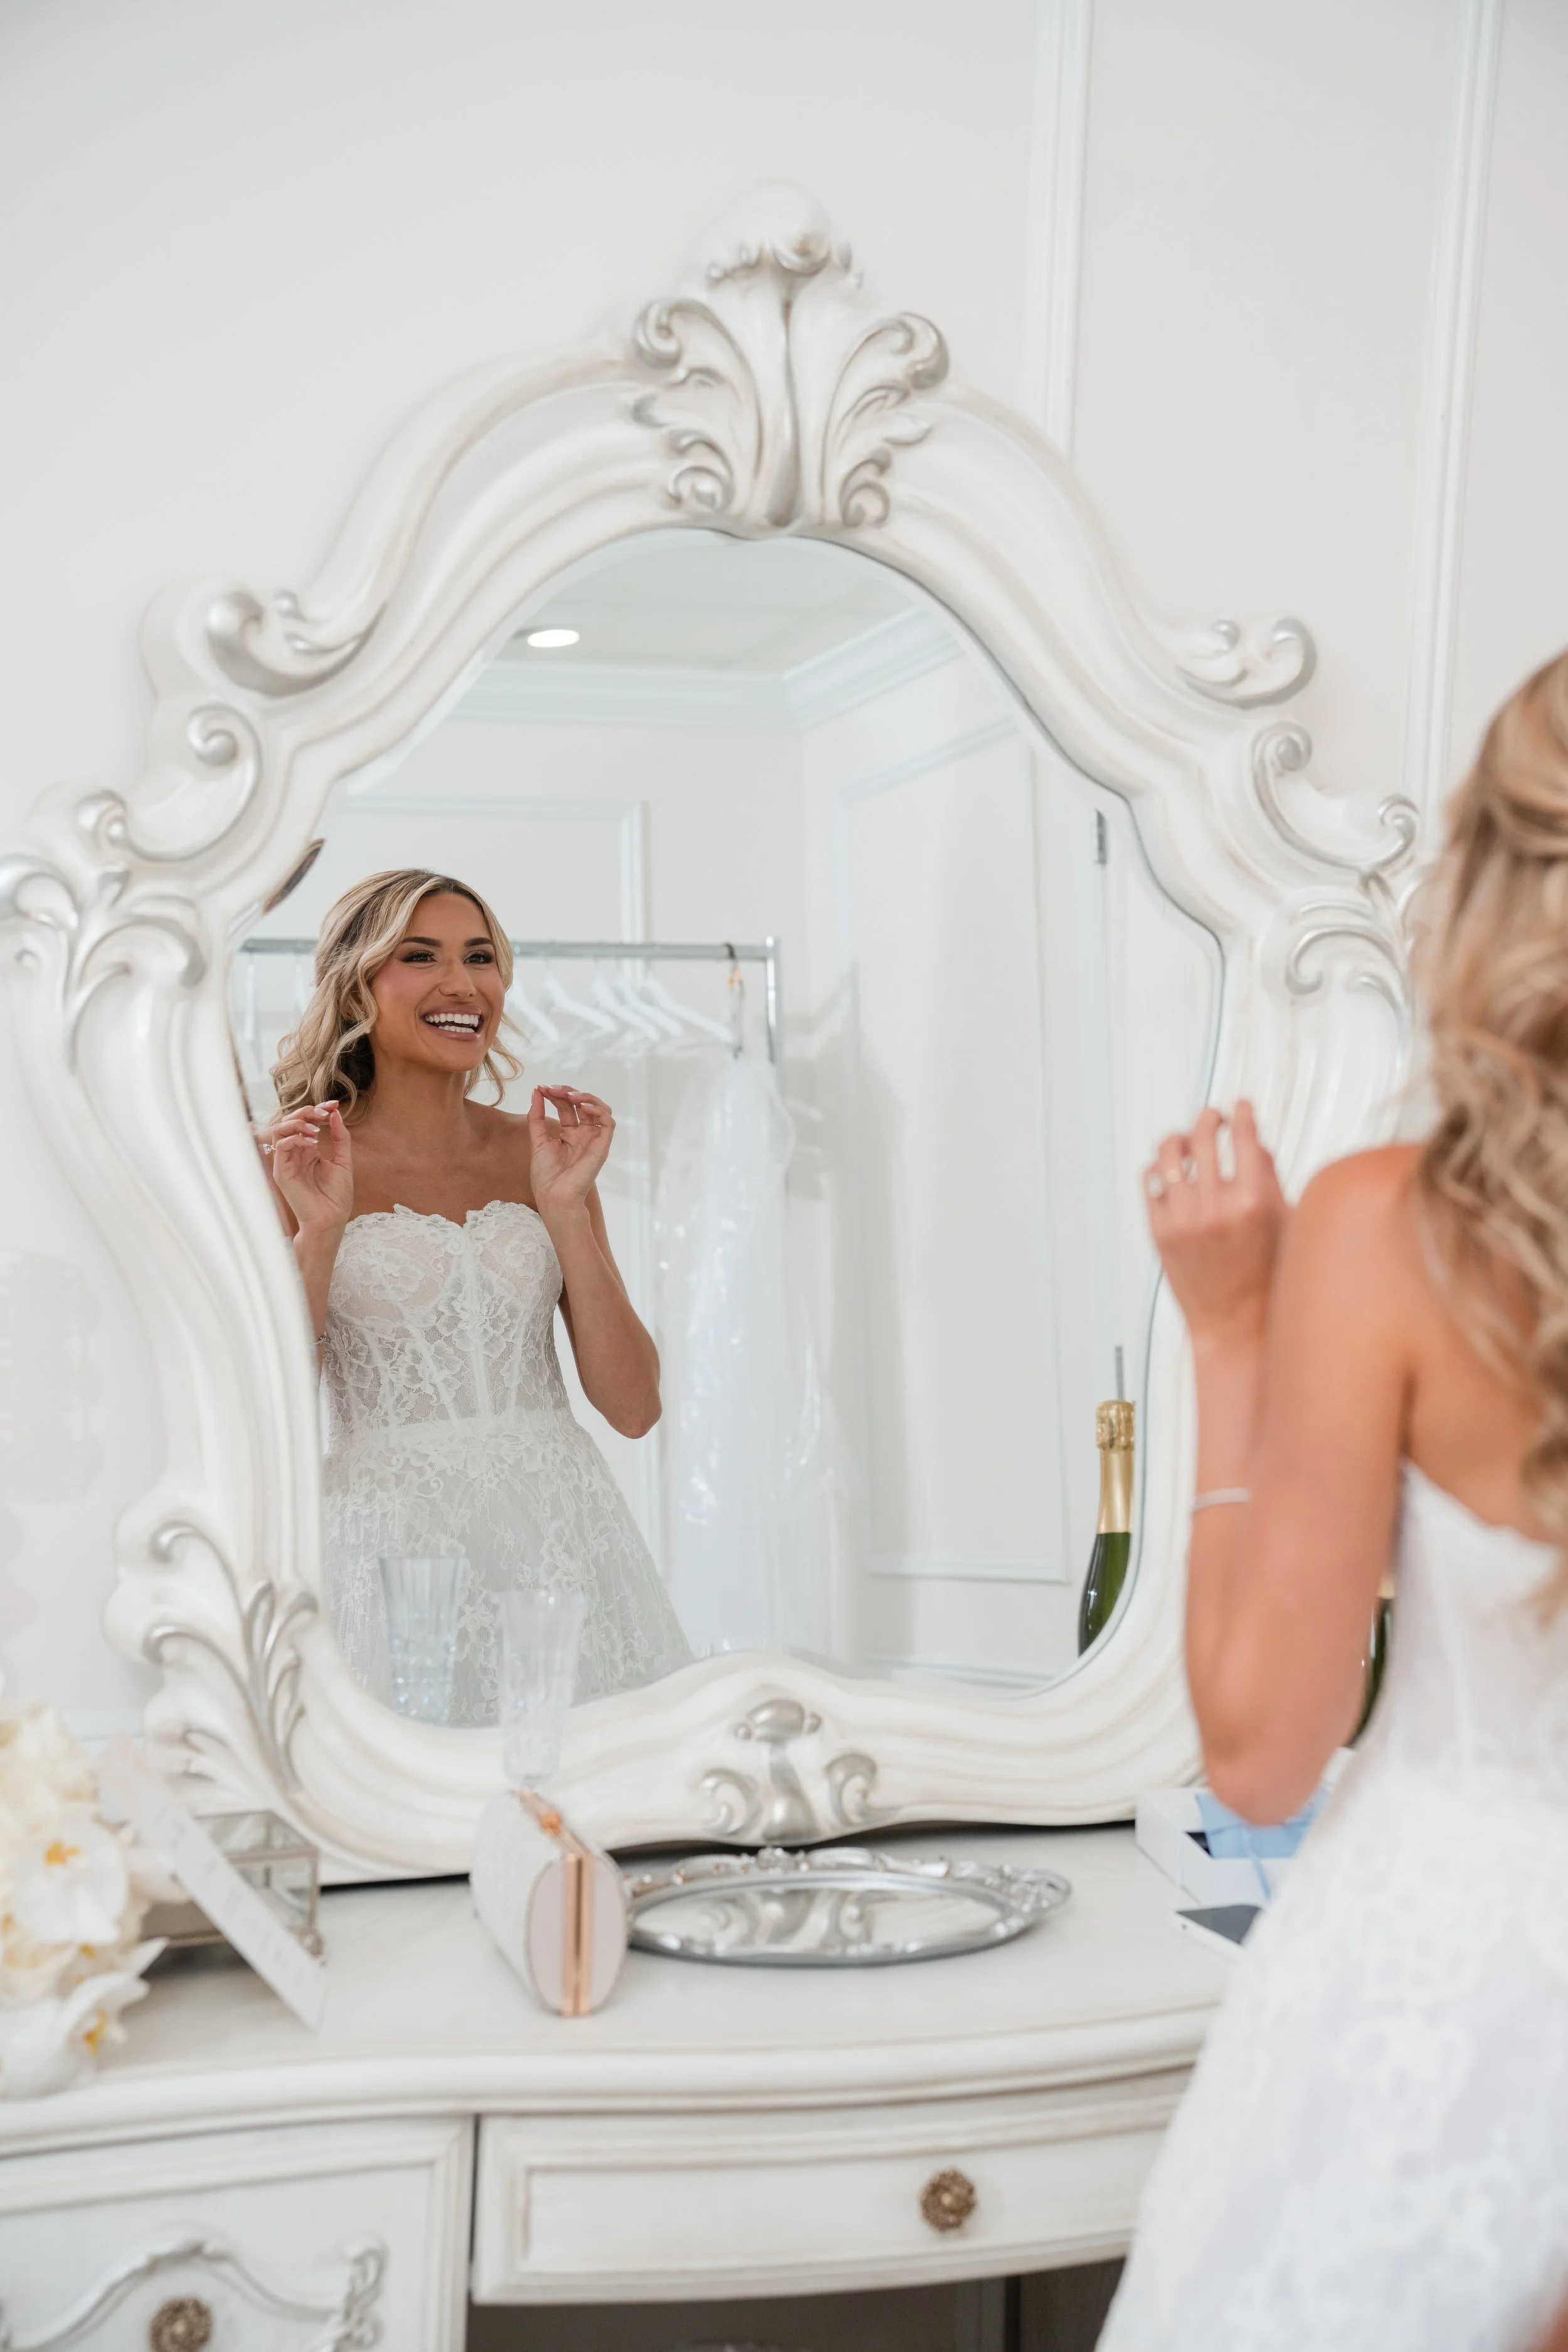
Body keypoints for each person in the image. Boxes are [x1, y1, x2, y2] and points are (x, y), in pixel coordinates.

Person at [1101, 654, 1568, 2351]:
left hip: (1463, 1992)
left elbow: (1260, 1755)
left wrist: (1230, 1325)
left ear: (1496, 878)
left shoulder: (1397, 1230)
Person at [259, 868, 692, 1721]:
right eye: (421, 956)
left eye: (482, 957)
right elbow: (272, 1405)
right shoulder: (297, 1160)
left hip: (560, 1535)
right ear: (356, 984)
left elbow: (635, 1404)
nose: (463, 984)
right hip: (391, 1545)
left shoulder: (542, 1154)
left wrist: (565, 1209)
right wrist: (318, 1232)